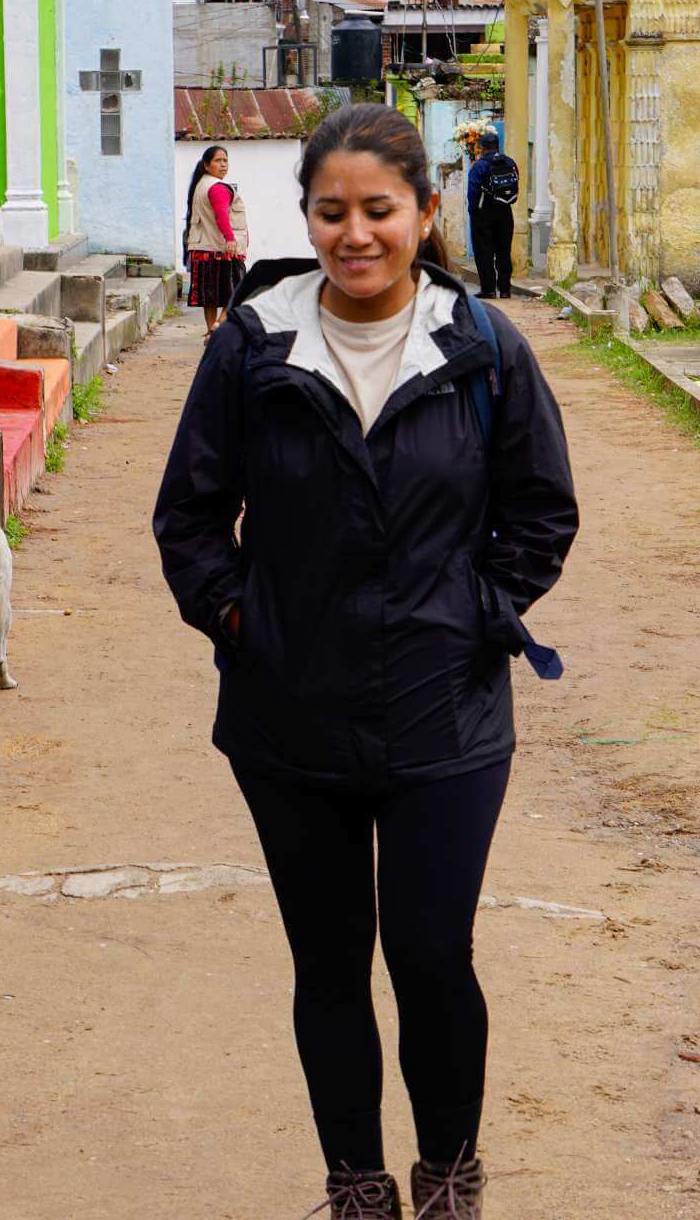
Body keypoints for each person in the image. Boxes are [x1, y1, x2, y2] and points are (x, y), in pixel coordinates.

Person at [154, 104, 578, 1219]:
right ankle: (357, 1190)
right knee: (330, 963)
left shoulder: (483, 347)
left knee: (434, 953)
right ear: (306, 216)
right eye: (331, 211)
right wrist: (246, 624)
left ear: (424, 212)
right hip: (290, 716)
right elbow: (191, 517)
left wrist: (474, 613)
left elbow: (542, 512)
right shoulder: (254, 348)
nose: (355, 234)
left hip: (447, 713)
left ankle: (449, 1180)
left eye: (379, 211)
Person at [183, 145, 248, 336]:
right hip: (223, 250)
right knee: (238, 292)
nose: (223, 165)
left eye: (225, 160)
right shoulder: (217, 188)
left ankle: (211, 330)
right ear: (206, 165)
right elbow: (221, 216)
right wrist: (230, 239)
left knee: (210, 297)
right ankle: (217, 327)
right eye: (218, 161)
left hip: (204, 249)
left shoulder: (201, 185)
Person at [466, 130, 519, 300]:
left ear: (482, 148)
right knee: (504, 251)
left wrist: (473, 212)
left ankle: (488, 289)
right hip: (505, 212)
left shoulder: (479, 166)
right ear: (498, 145)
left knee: (484, 253)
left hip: (483, 214)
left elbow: (473, 192)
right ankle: (505, 289)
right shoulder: (510, 162)